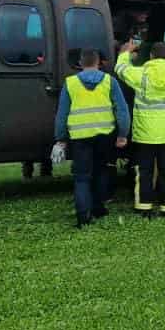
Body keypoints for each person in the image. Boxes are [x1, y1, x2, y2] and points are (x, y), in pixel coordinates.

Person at [52, 48, 130, 228]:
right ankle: (98, 207)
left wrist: (61, 138)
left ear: (80, 63)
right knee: (101, 171)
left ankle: (82, 216)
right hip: (105, 135)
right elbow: (122, 110)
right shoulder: (110, 81)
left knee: (81, 177)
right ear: (98, 62)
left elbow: (62, 114)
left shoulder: (70, 83)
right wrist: (122, 134)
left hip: (80, 137)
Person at [119, 38, 165, 218]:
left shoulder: (141, 74)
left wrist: (126, 52)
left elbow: (120, 69)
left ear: (150, 56)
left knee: (144, 171)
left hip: (145, 133)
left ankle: (144, 207)